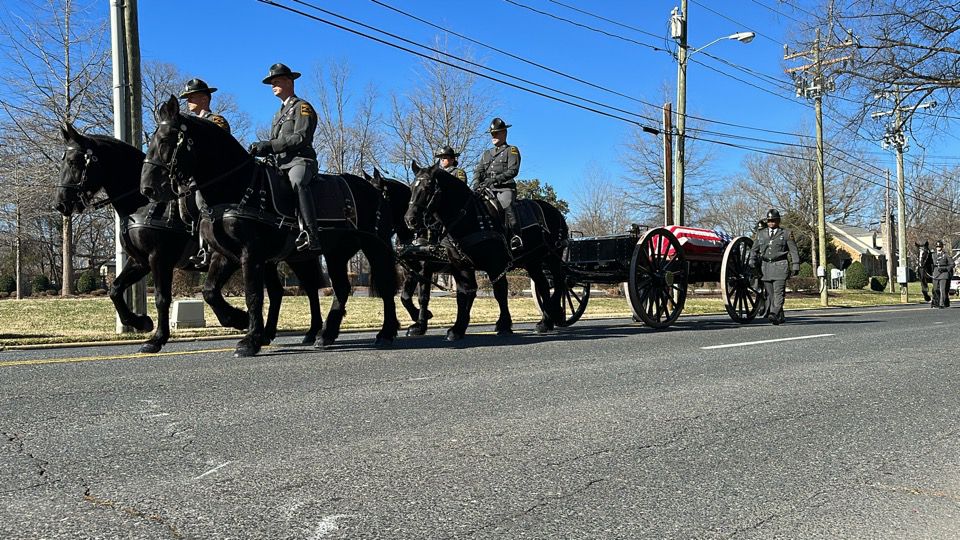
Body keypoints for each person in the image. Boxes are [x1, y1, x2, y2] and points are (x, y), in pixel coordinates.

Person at [248, 63, 320, 251]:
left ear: (290, 82)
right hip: (279, 164)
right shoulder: (277, 114)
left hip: (300, 161)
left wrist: (270, 145)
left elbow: (301, 137)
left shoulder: (302, 107)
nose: (273, 85)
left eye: (277, 81)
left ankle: (311, 233)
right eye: (272, 82)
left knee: (297, 181)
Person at [180, 78, 230, 267]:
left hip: (216, 177)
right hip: (194, 177)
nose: (188, 101)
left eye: (191, 97)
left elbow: (221, 149)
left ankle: (207, 249)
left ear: (204, 99)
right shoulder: (189, 124)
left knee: (201, 201)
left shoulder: (216, 121)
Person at [473, 117, 522, 250]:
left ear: (504, 133)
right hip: (486, 188)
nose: (493, 136)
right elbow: (479, 170)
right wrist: (477, 182)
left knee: (506, 203)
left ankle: (515, 236)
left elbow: (513, 170)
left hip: (504, 188)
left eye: (496, 133)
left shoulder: (511, 150)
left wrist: (494, 180)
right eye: (492, 134)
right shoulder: (487, 154)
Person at [751, 208, 800, 325]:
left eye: (773, 220)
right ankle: (780, 316)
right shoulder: (761, 234)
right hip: (766, 267)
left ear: (778, 221)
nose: (771, 223)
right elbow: (754, 249)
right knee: (770, 294)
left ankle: (774, 313)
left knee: (779, 292)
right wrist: (752, 260)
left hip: (780, 266)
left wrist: (796, 265)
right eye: (769, 221)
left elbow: (793, 251)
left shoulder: (786, 234)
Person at [931, 239, 954, 308]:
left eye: (940, 247)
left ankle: (942, 304)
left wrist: (945, 269)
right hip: (935, 274)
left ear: (942, 247)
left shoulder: (946, 255)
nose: (938, 248)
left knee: (942, 290)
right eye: (937, 247)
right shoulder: (933, 255)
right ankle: (937, 301)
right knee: (935, 289)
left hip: (944, 274)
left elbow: (952, 264)